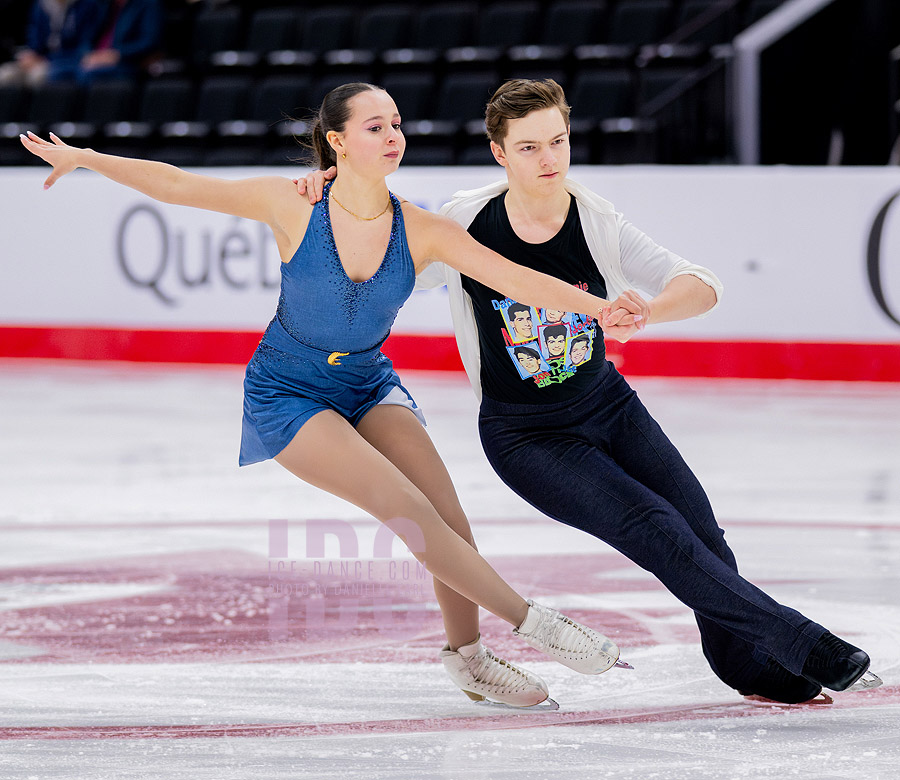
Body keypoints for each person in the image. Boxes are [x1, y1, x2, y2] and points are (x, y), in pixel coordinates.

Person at [18, 82, 640, 710]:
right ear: (337, 141)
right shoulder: (292, 206)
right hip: (288, 392)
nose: (392, 135)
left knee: (447, 514)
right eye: (374, 126)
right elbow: (179, 184)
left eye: (396, 123)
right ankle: (537, 625)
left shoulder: (422, 230)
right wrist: (87, 159)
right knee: (403, 506)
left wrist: (601, 309)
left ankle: (470, 659)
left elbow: (517, 279)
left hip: (367, 383)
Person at [298, 79, 880, 705]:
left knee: (704, 536)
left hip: (611, 407)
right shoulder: (466, 224)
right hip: (528, 438)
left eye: (557, 141)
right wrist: (322, 192)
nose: (548, 160)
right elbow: (375, 250)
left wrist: (650, 311)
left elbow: (701, 283)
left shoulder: (596, 219)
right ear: (500, 154)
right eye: (528, 148)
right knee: (656, 527)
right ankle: (807, 644)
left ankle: (746, 666)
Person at [0, 0, 103, 87]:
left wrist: (47, 60)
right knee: (6, 74)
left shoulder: (87, 5)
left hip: (69, 60)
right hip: (42, 61)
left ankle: (43, 110)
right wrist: (30, 55)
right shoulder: (42, 5)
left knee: (38, 76)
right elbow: (35, 43)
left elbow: (84, 48)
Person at [75, 0, 162, 84]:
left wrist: (117, 54)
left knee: (86, 74)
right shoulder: (103, 4)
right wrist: (88, 54)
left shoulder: (148, 3)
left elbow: (149, 42)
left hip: (127, 63)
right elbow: (86, 37)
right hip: (95, 59)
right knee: (63, 69)